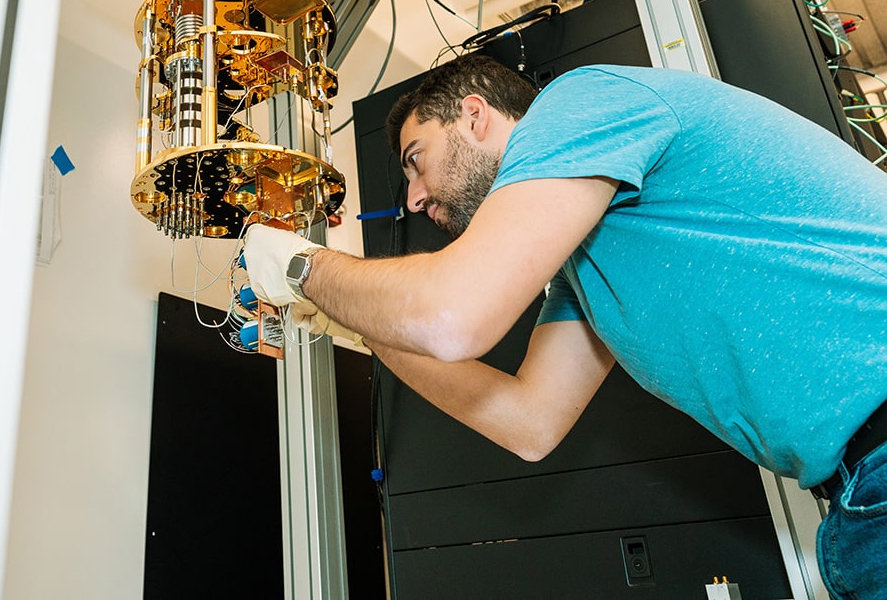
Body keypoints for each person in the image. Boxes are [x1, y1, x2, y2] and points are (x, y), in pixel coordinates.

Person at [244, 54, 887, 597]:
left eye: (417, 159)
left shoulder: (579, 101)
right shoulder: (586, 265)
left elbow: (451, 316)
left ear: (475, 115)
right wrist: (356, 320)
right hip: (856, 495)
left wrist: (303, 265)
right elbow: (530, 422)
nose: (413, 198)